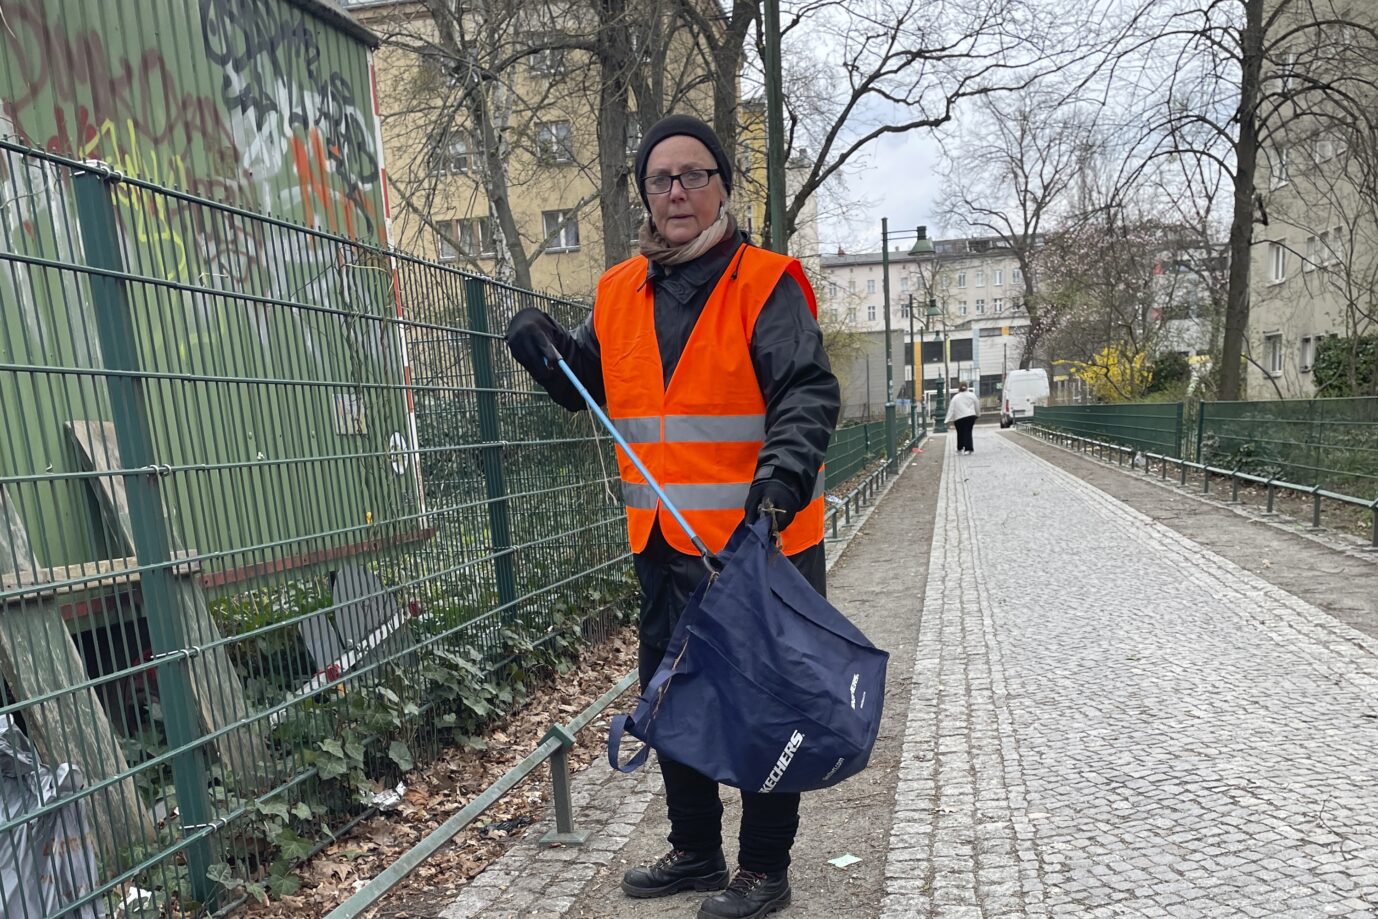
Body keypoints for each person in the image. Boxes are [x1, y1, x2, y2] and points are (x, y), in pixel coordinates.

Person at [504, 114, 839, 919]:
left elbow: (805, 391)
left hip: (760, 541)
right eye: (662, 179)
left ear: (723, 186)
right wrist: (544, 346)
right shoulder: (618, 290)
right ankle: (695, 850)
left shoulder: (765, 281)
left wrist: (777, 487)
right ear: (645, 195)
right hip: (660, 541)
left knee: (766, 708)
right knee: (671, 697)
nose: (678, 191)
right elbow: (598, 386)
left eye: (694, 175)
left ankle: (763, 868)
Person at [944, 381, 979, 454]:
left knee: (960, 432)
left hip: (959, 417)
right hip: (970, 416)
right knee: (968, 431)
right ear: (967, 387)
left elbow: (951, 409)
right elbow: (977, 405)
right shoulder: (972, 395)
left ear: (959, 387)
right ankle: (968, 448)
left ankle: (960, 447)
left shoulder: (955, 397)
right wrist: (977, 414)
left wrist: (947, 420)